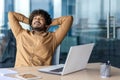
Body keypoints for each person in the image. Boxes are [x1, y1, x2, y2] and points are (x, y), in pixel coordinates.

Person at [8, 9, 73, 67]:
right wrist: (31, 21)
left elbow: (69, 19)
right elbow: (11, 14)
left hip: (40, 74)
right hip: (19, 74)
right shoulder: (20, 33)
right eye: (35, 18)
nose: (37, 19)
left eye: (41, 19)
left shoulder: (53, 38)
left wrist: (49, 22)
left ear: (46, 24)